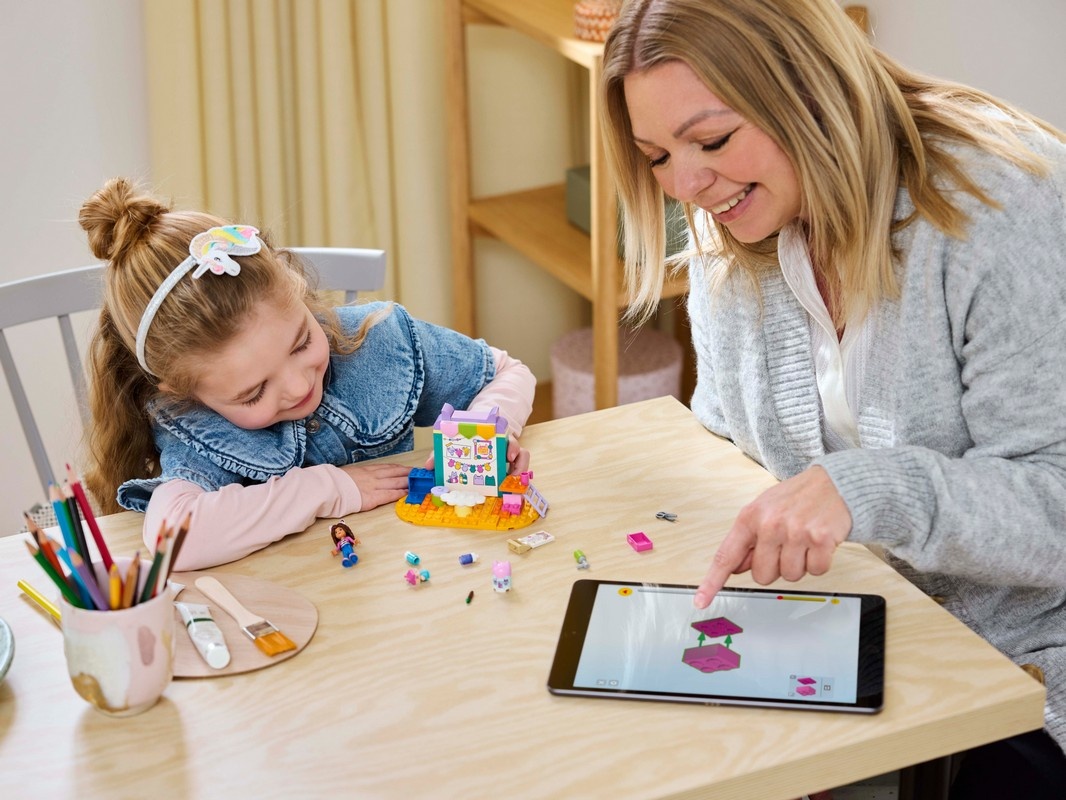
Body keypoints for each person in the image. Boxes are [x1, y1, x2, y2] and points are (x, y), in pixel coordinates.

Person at [600, 1, 1066, 797]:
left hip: (1029, 660)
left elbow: (1056, 510)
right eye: (657, 156)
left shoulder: (1000, 207)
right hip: (860, 636)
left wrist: (867, 492)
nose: (685, 184)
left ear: (808, 90)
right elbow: (731, 449)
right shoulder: (734, 227)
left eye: (713, 140)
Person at [79, 177, 534, 572]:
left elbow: (507, 372)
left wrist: (489, 428)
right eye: (254, 392)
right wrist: (324, 489)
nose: (299, 386)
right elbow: (172, 541)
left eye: (301, 343)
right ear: (184, 390)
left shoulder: (380, 341)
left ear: (296, 290)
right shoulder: (195, 427)